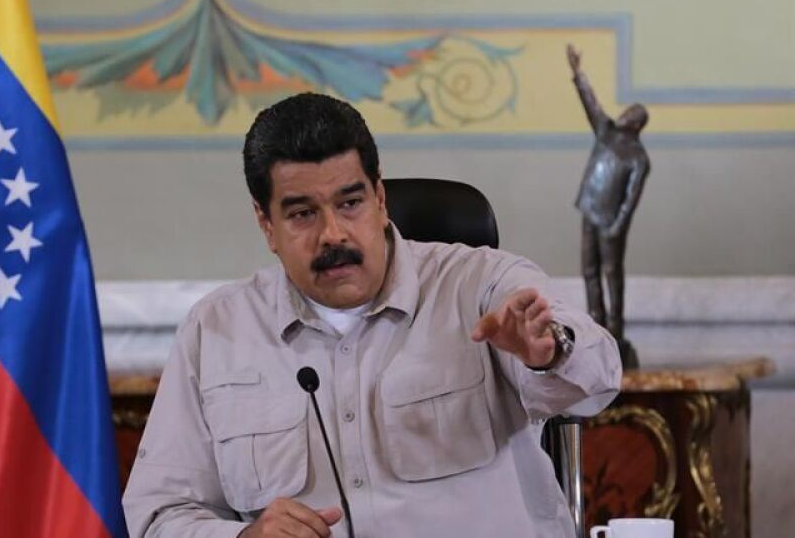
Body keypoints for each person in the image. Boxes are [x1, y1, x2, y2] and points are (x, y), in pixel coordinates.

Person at [123, 92, 621, 537]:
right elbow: (157, 514)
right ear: (266, 224)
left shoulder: (480, 284)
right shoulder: (216, 331)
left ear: (380, 200)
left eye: (351, 203)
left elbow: (599, 381)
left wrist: (549, 350)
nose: (333, 233)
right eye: (302, 214)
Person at [566, 44, 651, 369]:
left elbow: (630, 200)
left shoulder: (638, 157)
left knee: (612, 273)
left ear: (637, 123)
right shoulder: (606, 133)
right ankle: (596, 325)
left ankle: (615, 330)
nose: (624, 113)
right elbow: (592, 106)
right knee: (589, 271)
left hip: (611, 222)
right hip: (590, 209)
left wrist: (618, 225)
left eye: (631, 113)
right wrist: (577, 75)